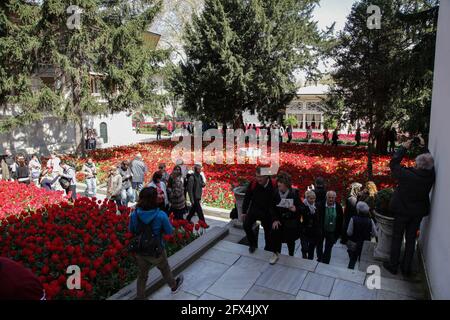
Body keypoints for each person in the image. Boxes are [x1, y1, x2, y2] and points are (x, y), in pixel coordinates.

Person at [383, 137, 435, 277]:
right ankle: (406, 269)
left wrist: (404, 148)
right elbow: (430, 164)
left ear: (418, 164)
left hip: (402, 211)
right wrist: (424, 147)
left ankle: (393, 266)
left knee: (397, 238)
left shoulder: (407, 175)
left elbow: (393, 164)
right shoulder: (430, 176)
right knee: (411, 239)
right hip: (417, 213)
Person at [128, 187, 184, 299]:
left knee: (142, 275)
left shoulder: (135, 214)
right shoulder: (161, 215)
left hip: (140, 250)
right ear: (154, 199)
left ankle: (141, 297)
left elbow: (131, 230)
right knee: (165, 269)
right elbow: (169, 231)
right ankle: (173, 286)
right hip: (156, 249)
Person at [242, 166, 277, 254]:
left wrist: (275, 217)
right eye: (257, 176)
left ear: (266, 176)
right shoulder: (253, 183)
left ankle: (267, 249)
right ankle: (253, 244)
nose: (258, 179)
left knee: (268, 233)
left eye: (260, 177)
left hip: (268, 212)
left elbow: (276, 201)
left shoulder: (273, 185)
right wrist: (243, 212)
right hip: (255, 209)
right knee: (246, 225)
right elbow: (247, 198)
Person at [270, 171, 301, 264]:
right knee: (275, 235)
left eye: (280, 185)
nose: (278, 187)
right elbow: (271, 207)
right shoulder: (275, 193)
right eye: (278, 185)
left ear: (286, 185)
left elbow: (301, 207)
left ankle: (291, 255)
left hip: (290, 222)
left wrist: (295, 209)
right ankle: (276, 254)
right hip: (279, 220)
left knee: (290, 241)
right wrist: (275, 219)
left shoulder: (294, 193)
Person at [346, 202, 377, 269]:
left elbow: (349, 232)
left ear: (358, 210)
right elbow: (375, 234)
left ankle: (349, 273)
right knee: (362, 262)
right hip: (365, 244)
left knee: (352, 261)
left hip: (354, 243)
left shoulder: (353, 219)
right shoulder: (370, 221)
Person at [317, 191, 344, 264]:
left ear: (335, 198)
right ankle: (319, 259)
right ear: (326, 197)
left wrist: (337, 235)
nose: (331, 199)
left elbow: (340, 221)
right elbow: (317, 218)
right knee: (319, 246)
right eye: (329, 197)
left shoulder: (338, 207)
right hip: (322, 230)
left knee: (328, 249)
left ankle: (325, 263)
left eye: (333, 198)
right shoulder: (320, 205)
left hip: (332, 231)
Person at [300, 190, 320, 260]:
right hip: (305, 229)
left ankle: (310, 260)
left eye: (314, 198)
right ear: (307, 198)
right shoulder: (303, 206)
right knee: (305, 247)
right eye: (311, 198)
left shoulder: (316, 206)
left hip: (313, 230)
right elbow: (302, 218)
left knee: (312, 247)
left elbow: (318, 217)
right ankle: (304, 254)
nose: (312, 200)